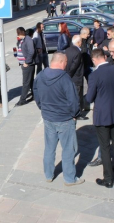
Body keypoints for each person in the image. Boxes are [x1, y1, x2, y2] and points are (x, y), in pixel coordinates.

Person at [33, 52, 85, 186]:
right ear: (62, 62)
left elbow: (36, 93)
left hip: (48, 118)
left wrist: (42, 107)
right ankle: (69, 179)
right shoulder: (65, 78)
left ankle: (49, 175)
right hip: (65, 119)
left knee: (49, 148)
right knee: (68, 149)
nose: (66, 65)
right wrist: (75, 114)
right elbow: (73, 100)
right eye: (66, 63)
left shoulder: (40, 75)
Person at [86, 49, 114, 188]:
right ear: (104, 57)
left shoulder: (94, 75)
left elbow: (89, 98)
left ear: (94, 60)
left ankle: (108, 178)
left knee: (104, 147)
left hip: (102, 115)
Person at [65, 35, 88, 121]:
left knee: (72, 96)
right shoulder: (78, 52)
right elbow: (74, 66)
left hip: (69, 76)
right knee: (78, 96)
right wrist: (69, 75)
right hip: (76, 77)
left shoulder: (68, 50)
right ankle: (77, 114)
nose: (81, 43)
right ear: (78, 42)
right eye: (81, 41)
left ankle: (72, 112)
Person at [15, 27, 35, 106]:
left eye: (18, 34)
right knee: (30, 82)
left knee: (26, 82)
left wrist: (27, 62)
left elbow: (31, 52)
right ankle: (35, 96)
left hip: (28, 65)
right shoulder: (22, 40)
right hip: (24, 64)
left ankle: (22, 100)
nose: (17, 36)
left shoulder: (28, 40)